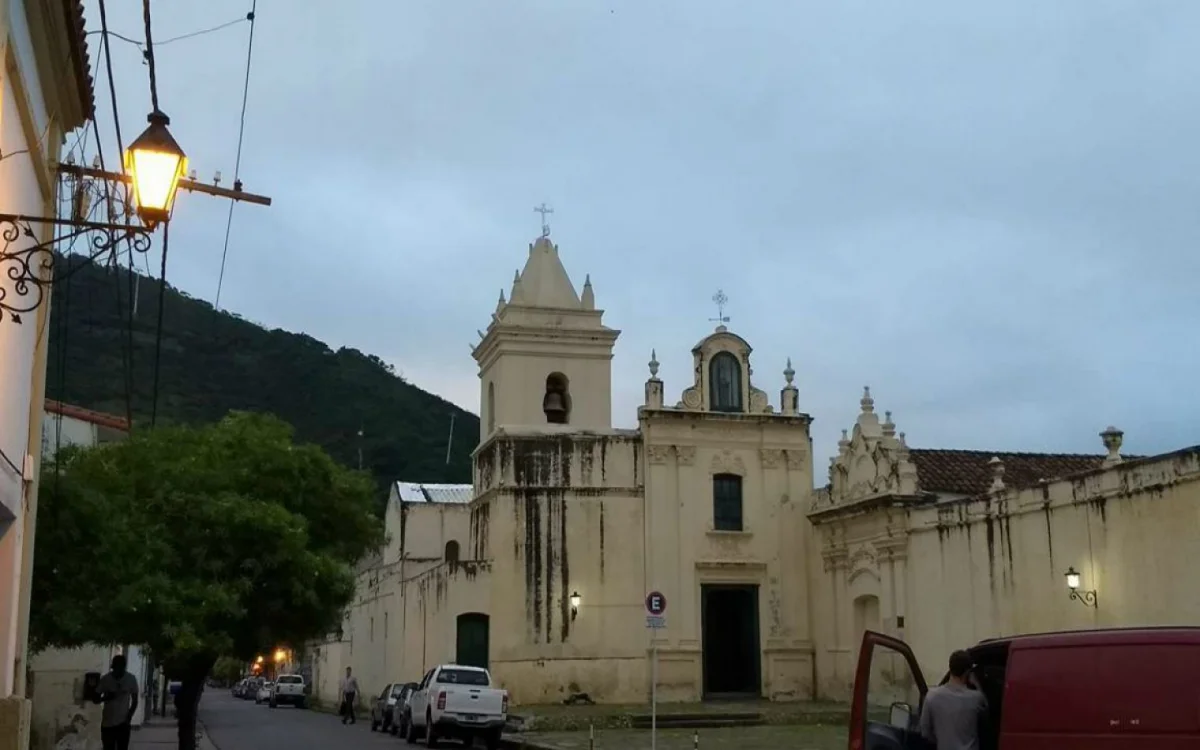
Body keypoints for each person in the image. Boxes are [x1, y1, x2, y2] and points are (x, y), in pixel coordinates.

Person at [918, 649, 988, 750]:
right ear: (967, 672)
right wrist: (976, 683)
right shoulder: (976, 698)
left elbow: (925, 732)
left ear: (950, 668)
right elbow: (987, 710)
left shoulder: (932, 696)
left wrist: (941, 741)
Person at [94, 654, 139, 750]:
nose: (118, 671)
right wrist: (106, 698)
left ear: (124, 667)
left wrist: (129, 717)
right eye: (116, 669)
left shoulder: (131, 679)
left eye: (120, 669)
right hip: (107, 723)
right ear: (113, 667)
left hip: (123, 723)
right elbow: (95, 699)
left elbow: (135, 701)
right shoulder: (106, 679)